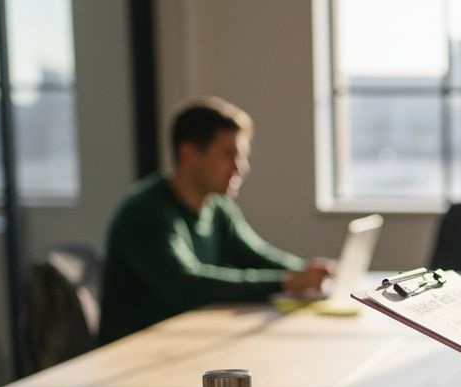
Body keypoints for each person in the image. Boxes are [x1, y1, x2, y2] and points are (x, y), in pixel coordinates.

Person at [99, 97, 331, 343]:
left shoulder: (217, 205)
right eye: (229, 154)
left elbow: (255, 255)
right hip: (136, 351)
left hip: (191, 339)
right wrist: (286, 283)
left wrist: (307, 271)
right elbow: (187, 286)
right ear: (189, 154)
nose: (240, 168)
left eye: (241, 156)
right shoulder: (145, 212)